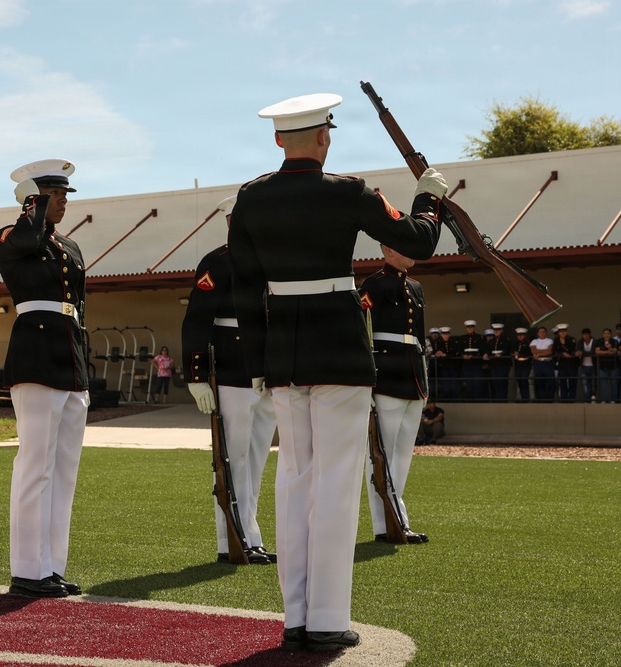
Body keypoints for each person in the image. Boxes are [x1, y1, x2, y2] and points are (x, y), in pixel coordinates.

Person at [228, 93, 445, 653]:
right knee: (337, 481)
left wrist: (258, 364)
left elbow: (245, 290)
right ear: (324, 138)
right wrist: (430, 199)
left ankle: (295, 617)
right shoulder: (349, 192)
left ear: (279, 140)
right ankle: (326, 618)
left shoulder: (250, 200)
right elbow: (417, 240)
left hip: (282, 355)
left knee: (295, 478)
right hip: (340, 353)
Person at [0, 159, 88, 598]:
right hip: (35, 354)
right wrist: (33, 206)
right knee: (36, 466)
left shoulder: (70, 247)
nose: (64, 201)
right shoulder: (11, 236)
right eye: (55, 194)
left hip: (70, 357)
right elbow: (25, 239)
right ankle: (28, 569)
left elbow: (80, 308)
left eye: (65, 194)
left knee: (64, 470)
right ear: (33, 197)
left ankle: (52, 566)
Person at [182, 194, 277, 565]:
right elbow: (196, 321)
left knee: (256, 459)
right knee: (233, 459)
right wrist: (196, 377)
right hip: (232, 369)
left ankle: (249, 535)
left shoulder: (271, 262)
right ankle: (232, 541)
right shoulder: (217, 263)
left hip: (266, 370)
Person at [358, 245, 429, 544]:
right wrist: (367, 380)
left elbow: (420, 337)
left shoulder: (415, 286)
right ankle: (385, 524)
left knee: (402, 455)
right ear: (387, 250)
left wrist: (425, 381)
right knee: (380, 454)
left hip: (413, 374)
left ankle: (396, 517)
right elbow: (361, 333)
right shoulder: (373, 284)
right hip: (385, 374)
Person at [485, 323, 513, 402]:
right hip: (494, 364)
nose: (496, 332)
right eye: (495, 330)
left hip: (503, 364)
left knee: (502, 381)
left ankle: (503, 399)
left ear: (501, 331)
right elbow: (488, 350)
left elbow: (508, 349)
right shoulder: (491, 341)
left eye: (498, 330)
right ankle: (497, 399)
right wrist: (486, 354)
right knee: (495, 381)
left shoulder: (506, 340)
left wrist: (501, 354)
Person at [459, 320, 486, 401]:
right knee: (468, 382)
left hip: (476, 363)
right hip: (467, 363)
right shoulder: (463, 338)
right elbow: (460, 348)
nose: (470, 329)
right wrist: (463, 355)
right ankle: (469, 398)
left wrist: (473, 355)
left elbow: (481, 349)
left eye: (471, 327)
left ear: (474, 328)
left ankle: (477, 398)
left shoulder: (479, 337)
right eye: (468, 328)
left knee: (476, 382)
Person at [433, 326, 461, 400]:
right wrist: (438, 354)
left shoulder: (453, 342)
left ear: (449, 335)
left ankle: (455, 397)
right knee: (445, 382)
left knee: (454, 382)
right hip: (444, 365)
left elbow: (455, 352)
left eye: (447, 334)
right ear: (441, 335)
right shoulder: (439, 342)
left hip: (453, 365)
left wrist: (444, 355)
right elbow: (435, 351)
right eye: (443, 334)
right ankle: (446, 397)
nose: (445, 336)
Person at [553, 324, 578, 401]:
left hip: (571, 363)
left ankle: (571, 399)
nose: (562, 333)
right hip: (562, 364)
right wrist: (562, 353)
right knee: (562, 382)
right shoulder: (556, 340)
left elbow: (571, 350)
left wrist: (564, 352)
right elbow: (555, 351)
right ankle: (563, 399)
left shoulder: (572, 339)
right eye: (561, 331)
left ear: (566, 331)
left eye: (564, 331)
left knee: (572, 383)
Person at [530, 326, 555, 401]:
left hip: (547, 363)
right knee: (540, 382)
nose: (542, 333)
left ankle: (550, 400)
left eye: (544, 331)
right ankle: (542, 400)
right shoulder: (534, 341)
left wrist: (539, 353)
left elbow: (549, 351)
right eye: (540, 331)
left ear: (546, 333)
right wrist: (544, 351)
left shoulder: (550, 341)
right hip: (538, 363)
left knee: (551, 382)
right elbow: (533, 351)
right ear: (537, 333)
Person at [594, 328, 619, 403]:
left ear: (610, 334)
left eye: (608, 333)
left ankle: (613, 400)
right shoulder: (599, 341)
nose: (606, 335)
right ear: (602, 334)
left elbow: (614, 351)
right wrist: (607, 351)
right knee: (603, 383)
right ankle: (604, 399)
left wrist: (610, 348)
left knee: (614, 383)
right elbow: (597, 351)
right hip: (603, 366)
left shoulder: (614, 341)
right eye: (605, 333)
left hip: (614, 366)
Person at [512, 327, 533, 401]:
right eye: (518, 335)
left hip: (526, 363)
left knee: (524, 380)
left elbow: (529, 353)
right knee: (519, 380)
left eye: (522, 335)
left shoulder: (528, 343)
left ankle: (526, 397)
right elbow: (511, 351)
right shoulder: (515, 343)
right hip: (518, 364)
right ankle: (521, 397)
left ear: (525, 335)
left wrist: (520, 353)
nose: (520, 336)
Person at [578, 327, 597, 402]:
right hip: (584, 366)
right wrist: (581, 353)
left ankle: (593, 397)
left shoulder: (594, 341)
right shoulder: (580, 342)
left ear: (590, 335)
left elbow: (593, 352)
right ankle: (586, 399)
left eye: (587, 334)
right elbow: (578, 351)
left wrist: (583, 353)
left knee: (593, 383)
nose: (586, 336)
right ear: (582, 335)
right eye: (584, 334)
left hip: (593, 365)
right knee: (585, 384)